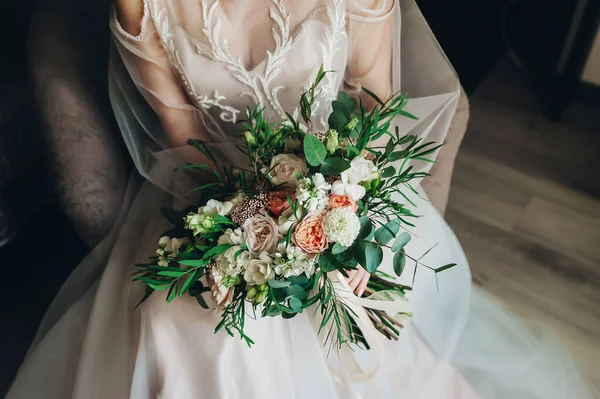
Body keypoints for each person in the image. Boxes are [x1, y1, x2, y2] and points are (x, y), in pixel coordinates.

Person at [7, 1, 596, 397]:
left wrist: (332, 202)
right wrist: (251, 218)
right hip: (215, 200)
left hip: (342, 189)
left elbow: (375, 103)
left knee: (345, 323)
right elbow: (183, 135)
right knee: (177, 330)